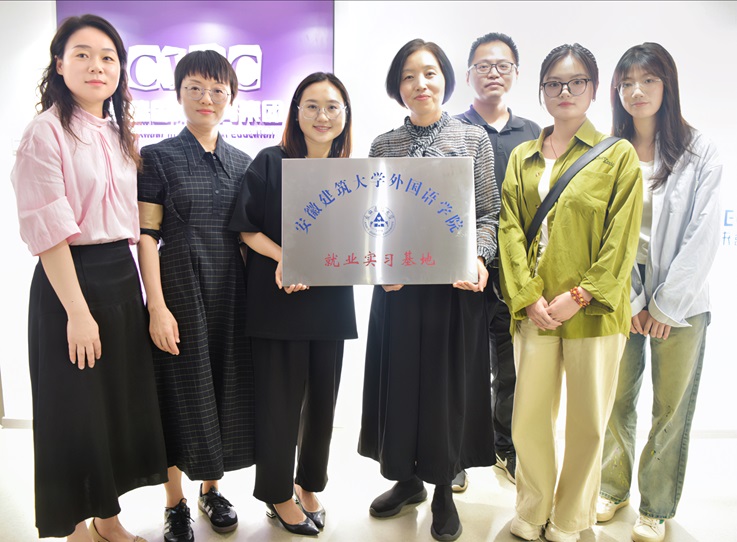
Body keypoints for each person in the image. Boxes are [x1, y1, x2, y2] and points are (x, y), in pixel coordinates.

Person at [10, 14, 168, 542]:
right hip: (69, 283)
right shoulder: (46, 131)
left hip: (119, 277)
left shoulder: (119, 134)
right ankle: (78, 527)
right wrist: (77, 312)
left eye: (108, 57)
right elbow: (48, 229)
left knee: (112, 409)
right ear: (59, 64)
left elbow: (132, 223)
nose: (96, 65)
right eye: (82, 54)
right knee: (75, 411)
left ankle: (108, 519)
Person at [498, 43, 642, 542]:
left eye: (577, 81)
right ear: (542, 90)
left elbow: (621, 239)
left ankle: (570, 518)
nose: (565, 91)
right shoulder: (522, 156)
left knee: (588, 423)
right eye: (555, 83)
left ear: (594, 89)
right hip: (535, 310)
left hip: (593, 313)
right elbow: (509, 229)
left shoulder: (618, 155)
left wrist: (580, 295)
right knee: (529, 418)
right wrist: (527, 296)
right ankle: (533, 508)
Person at [358, 38, 498, 542]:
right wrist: (379, 265)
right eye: (409, 75)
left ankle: (442, 490)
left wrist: (479, 258)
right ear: (398, 86)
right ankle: (407, 481)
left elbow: (489, 214)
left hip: (452, 290)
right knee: (399, 385)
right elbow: (370, 221)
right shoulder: (384, 145)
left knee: (445, 389)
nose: (421, 83)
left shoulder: (472, 139)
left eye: (430, 72)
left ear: (445, 80)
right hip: (398, 290)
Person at [597, 43, 722, 542]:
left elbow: (704, 233)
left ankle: (656, 505)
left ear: (667, 85)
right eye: (626, 82)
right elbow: (605, 232)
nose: (636, 91)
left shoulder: (700, 150)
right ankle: (612, 488)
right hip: (620, 290)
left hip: (683, 297)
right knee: (615, 398)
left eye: (648, 80)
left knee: (671, 407)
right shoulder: (610, 150)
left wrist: (666, 304)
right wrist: (631, 299)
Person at [229, 72, 357, 537]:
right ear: (296, 113)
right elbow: (246, 228)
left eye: (333, 107)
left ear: (345, 115)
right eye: (312, 106)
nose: (323, 116)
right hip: (279, 298)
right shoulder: (270, 161)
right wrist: (287, 257)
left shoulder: (351, 173)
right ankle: (278, 494)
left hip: (330, 301)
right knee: (279, 406)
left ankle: (309, 484)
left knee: (322, 402)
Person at [137, 50, 254, 542]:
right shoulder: (157, 157)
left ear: (231, 97)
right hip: (179, 289)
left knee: (224, 388)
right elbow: (146, 236)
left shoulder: (243, 163)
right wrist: (157, 307)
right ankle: (175, 503)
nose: (207, 98)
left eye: (218, 90)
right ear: (179, 93)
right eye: (195, 88)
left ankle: (212, 489)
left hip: (231, 290)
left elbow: (249, 236)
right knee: (176, 394)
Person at [453, 31, 541, 491]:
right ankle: (455, 453)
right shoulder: (453, 130)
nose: (493, 73)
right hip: (462, 269)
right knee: (460, 366)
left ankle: (505, 446)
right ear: (468, 74)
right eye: (483, 66)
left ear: (516, 74)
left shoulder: (534, 134)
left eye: (502, 65)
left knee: (510, 369)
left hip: (515, 272)